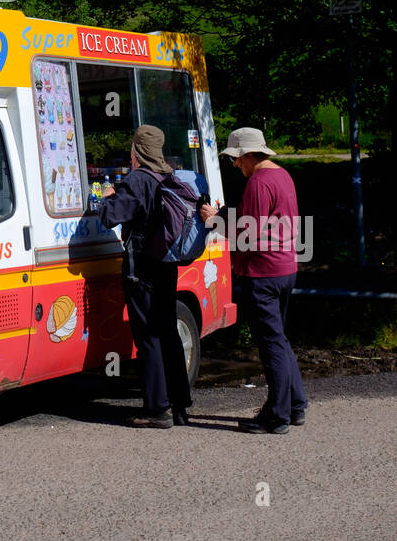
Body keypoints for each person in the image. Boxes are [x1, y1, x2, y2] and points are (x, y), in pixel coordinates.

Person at [201, 127, 307, 435]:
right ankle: (295, 404)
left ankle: (276, 414)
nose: (235, 165)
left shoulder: (258, 183)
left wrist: (214, 220)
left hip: (262, 273)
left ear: (249, 154)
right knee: (280, 338)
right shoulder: (283, 176)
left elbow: (249, 236)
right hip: (285, 267)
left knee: (270, 343)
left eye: (236, 159)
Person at [97, 124, 193, 428]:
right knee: (167, 332)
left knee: (148, 336)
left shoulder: (137, 180)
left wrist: (105, 197)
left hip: (142, 270)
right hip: (167, 266)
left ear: (135, 151)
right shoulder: (168, 175)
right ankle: (180, 404)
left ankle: (156, 409)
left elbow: (110, 216)